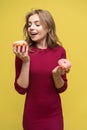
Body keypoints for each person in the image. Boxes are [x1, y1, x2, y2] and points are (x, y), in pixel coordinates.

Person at [13, 9, 71, 130]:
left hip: (54, 115)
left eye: (37, 24)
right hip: (32, 115)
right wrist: (26, 61)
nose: (31, 28)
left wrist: (56, 75)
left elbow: (62, 88)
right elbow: (21, 89)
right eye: (29, 25)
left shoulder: (60, 51)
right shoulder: (23, 51)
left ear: (48, 28)